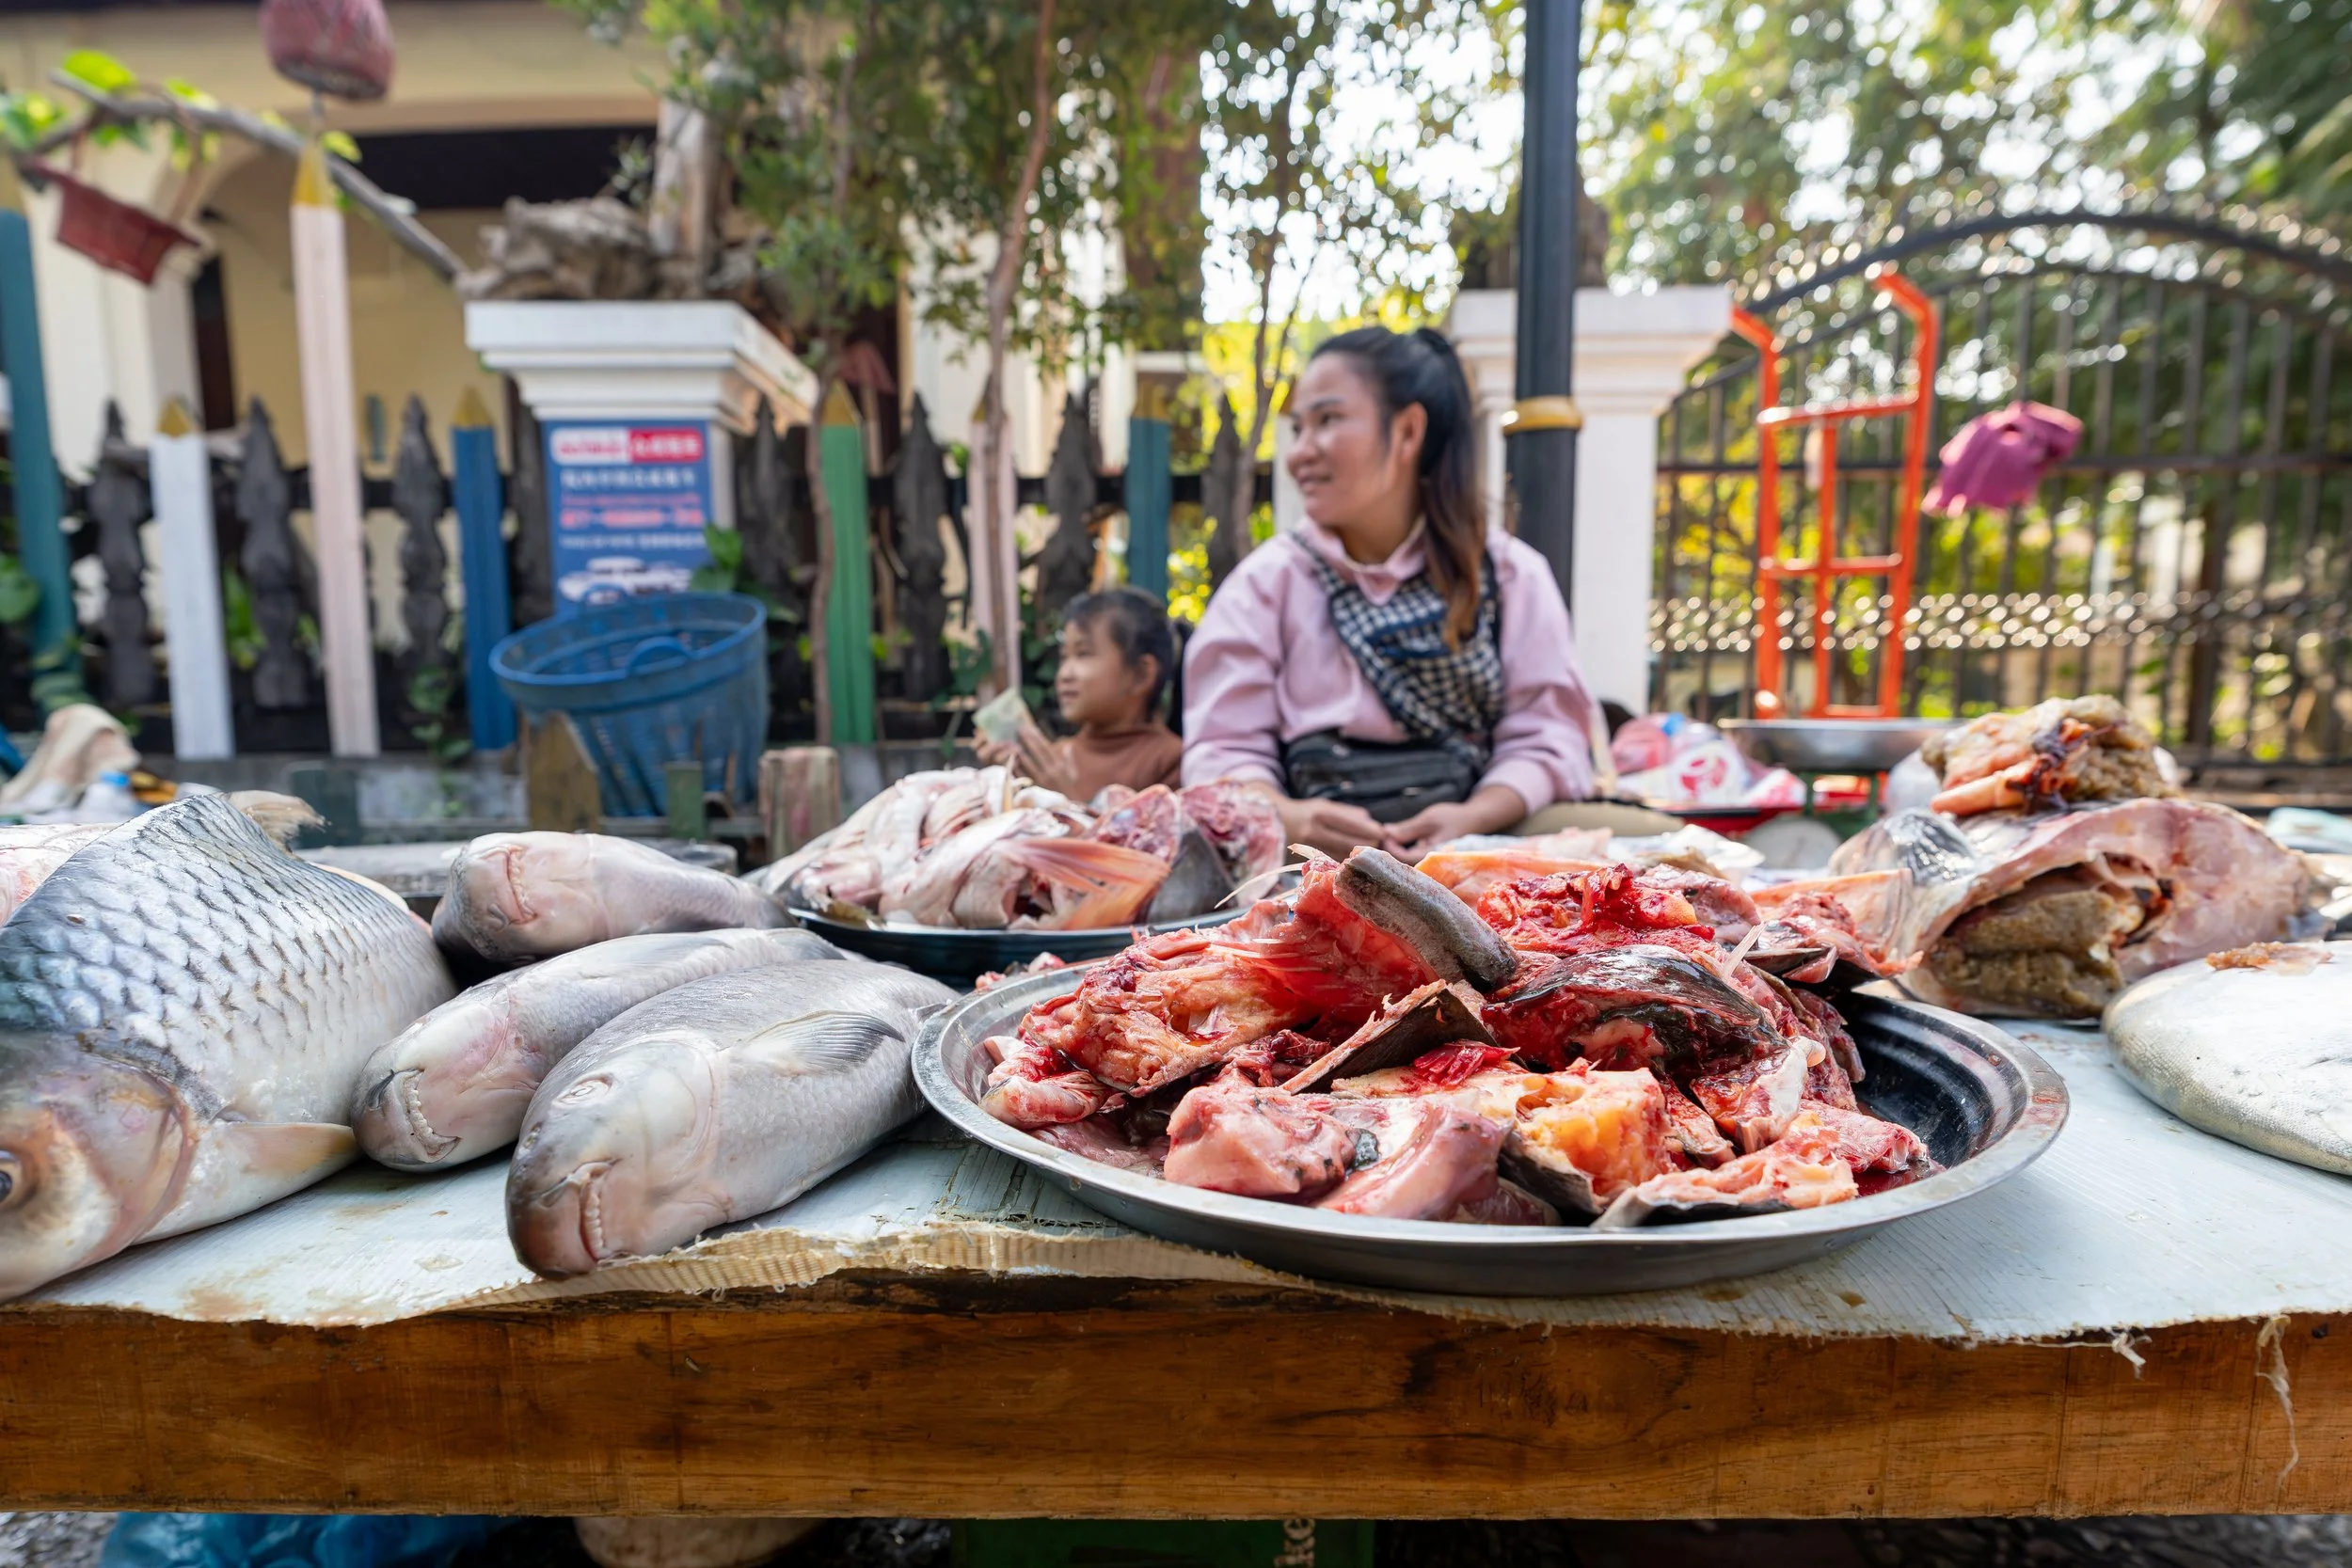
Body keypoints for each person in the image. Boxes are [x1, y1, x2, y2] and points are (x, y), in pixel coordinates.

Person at [1181, 325, 1599, 859]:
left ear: (1407, 432)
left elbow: (1548, 737)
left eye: (1328, 420)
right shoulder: (1265, 585)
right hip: (1305, 863)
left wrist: (1474, 818)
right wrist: (1291, 817)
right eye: (1298, 428)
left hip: (1476, 855)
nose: (1298, 454)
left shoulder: (1510, 576)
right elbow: (1223, 750)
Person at [976, 587, 1184, 801]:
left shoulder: (1171, 761)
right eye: (1064, 657)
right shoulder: (1056, 757)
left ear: (1141, 674)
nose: (1065, 674)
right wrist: (1002, 781)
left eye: (1083, 654)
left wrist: (1066, 802)